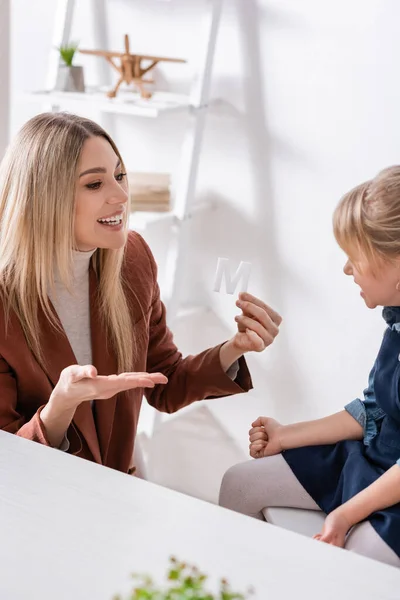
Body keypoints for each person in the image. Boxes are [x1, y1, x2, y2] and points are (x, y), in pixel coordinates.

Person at [0, 111, 282, 474]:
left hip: (119, 488)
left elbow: (166, 382)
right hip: (41, 505)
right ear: (44, 198)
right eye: (94, 184)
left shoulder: (133, 260)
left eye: (119, 176)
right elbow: (9, 463)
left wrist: (235, 348)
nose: (120, 196)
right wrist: (60, 408)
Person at [219, 166, 400, 567]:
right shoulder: (396, 320)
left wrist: (347, 514)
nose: (347, 269)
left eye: (355, 257)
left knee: (362, 559)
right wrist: (287, 435)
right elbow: (371, 410)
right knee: (240, 483)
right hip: (370, 462)